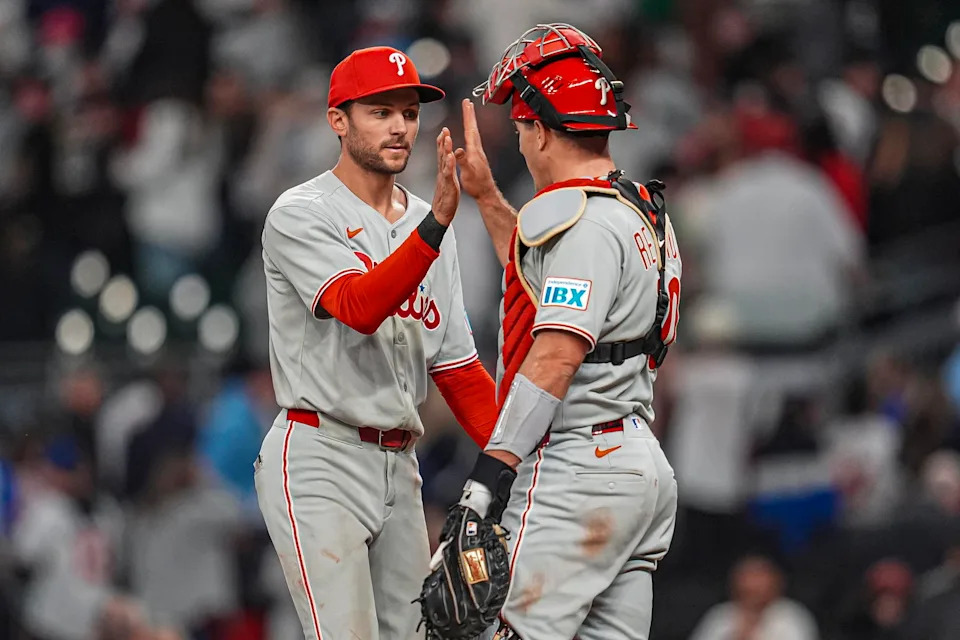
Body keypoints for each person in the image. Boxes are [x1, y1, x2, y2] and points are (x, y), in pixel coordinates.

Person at [418, 24, 683, 640]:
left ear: (539, 129)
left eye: (519, 129)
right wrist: (486, 197)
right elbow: (547, 281)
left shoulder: (584, 224)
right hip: (635, 464)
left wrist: (489, 476)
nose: (520, 142)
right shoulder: (636, 212)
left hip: (577, 468)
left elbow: (558, 352)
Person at [254, 46, 499, 640]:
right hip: (321, 455)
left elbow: (460, 370)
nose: (399, 127)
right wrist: (435, 227)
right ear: (338, 119)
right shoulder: (301, 213)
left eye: (409, 112)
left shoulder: (424, 217)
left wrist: (525, 458)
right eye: (379, 111)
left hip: (400, 463)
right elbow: (359, 308)